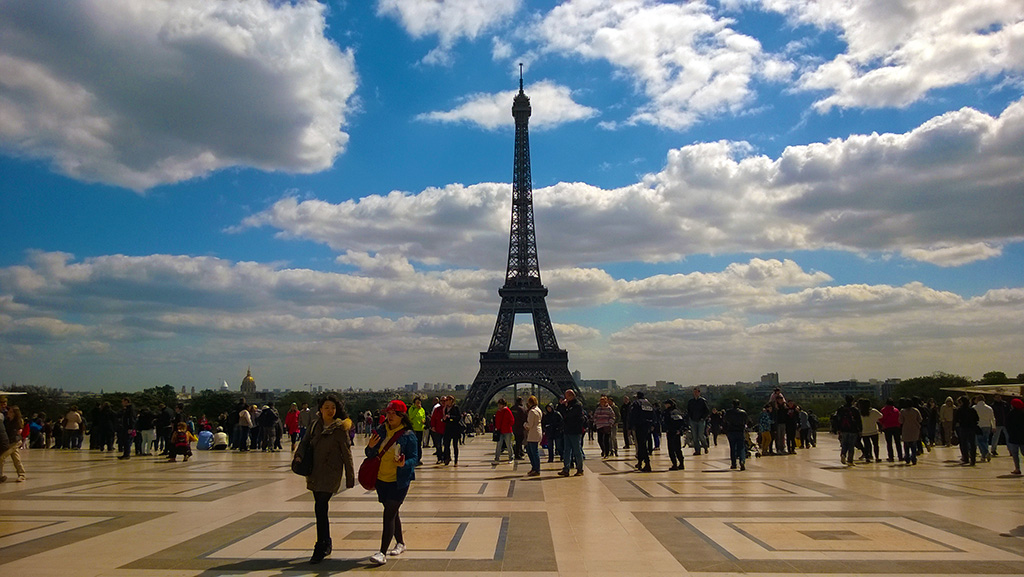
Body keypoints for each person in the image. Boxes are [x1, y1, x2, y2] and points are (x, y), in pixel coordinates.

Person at [299, 394, 355, 564]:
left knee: (320, 506)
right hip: (314, 471)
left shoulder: (340, 428)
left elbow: (347, 452)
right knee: (320, 508)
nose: (330, 411)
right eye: (327, 407)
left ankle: (320, 545)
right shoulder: (315, 425)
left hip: (331, 472)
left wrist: (350, 476)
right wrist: (298, 458)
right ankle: (326, 542)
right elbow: (305, 442)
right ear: (321, 409)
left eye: (333, 408)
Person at [365, 400, 419, 566]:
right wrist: (370, 447)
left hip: (399, 480)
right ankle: (401, 543)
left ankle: (382, 552)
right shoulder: (380, 431)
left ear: (402, 416)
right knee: (392, 512)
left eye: (393, 413)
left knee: (389, 513)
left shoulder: (408, 435)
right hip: (382, 479)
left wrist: (405, 464)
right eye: (388, 413)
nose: (389, 416)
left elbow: (415, 458)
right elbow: (369, 454)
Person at [558, 389, 586, 477]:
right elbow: (561, 413)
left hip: (574, 431)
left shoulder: (577, 405)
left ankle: (580, 469)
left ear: (571, 396)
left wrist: (565, 408)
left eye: (566, 396)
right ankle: (566, 468)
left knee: (577, 450)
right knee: (567, 451)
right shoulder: (569, 405)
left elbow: (568, 415)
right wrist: (562, 405)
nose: (565, 398)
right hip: (567, 430)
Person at [1, 401, 27, 482]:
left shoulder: (17, 422)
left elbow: (16, 432)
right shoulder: (7, 420)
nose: (9, 412)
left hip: (15, 442)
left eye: (11, 412)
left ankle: (0, 475)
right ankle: (21, 474)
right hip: (10, 441)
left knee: (2, 457)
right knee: (16, 458)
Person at [629, 392, 655, 472]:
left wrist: (630, 427)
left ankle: (647, 463)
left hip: (640, 425)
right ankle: (640, 462)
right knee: (643, 444)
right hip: (648, 426)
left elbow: (632, 415)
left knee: (641, 445)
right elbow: (654, 415)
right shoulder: (648, 403)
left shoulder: (636, 403)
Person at [835, 395, 862, 466]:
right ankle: (850, 460)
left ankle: (843, 454)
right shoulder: (855, 410)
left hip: (844, 429)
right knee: (851, 445)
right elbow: (859, 420)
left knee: (844, 444)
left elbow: (837, 419)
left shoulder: (841, 409)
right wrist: (860, 430)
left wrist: (838, 429)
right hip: (853, 429)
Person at [953, 396, 979, 466]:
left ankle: (966, 458)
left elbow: (956, 420)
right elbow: (977, 418)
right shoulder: (972, 410)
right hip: (972, 428)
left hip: (963, 428)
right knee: (972, 444)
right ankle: (973, 459)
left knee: (964, 443)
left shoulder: (959, 410)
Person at [724, 399, 748, 470]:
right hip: (740, 431)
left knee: (732, 448)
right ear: (739, 405)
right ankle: (742, 461)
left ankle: (733, 464)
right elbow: (746, 421)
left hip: (731, 431)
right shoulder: (743, 413)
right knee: (741, 447)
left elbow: (725, 421)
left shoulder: (728, 412)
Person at [662, 399, 685, 470]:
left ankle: (674, 464)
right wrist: (680, 430)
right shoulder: (677, 411)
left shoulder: (667, 412)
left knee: (671, 449)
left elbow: (666, 422)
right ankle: (681, 463)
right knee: (678, 448)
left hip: (671, 431)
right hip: (677, 432)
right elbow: (682, 422)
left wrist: (667, 429)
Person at [686, 388, 711, 455]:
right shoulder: (691, 401)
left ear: (699, 393)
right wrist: (690, 418)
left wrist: (703, 418)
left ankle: (705, 446)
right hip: (693, 420)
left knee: (700, 435)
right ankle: (697, 450)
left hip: (700, 421)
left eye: (696, 392)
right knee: (695, 436)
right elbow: (688, 410)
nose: (695, 394)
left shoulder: (702, 401)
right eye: (694, 392)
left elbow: (707, 410)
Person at [899, 397, 923, 465]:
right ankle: (914, 458)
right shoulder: (915, 410)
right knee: (914, 445)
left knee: (906, 445)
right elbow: (920, 419)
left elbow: (900, 421)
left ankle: (907, 457)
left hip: (906, 429)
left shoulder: (902, 411)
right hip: (915, 429)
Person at [857, 399, 882, 463]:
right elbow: (881, 416)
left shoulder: (860, 413)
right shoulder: (874, 411)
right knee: (876, 445)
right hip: (874, 431)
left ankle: (867, 458)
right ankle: (877, 457)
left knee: (867, 445)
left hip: (865, 432)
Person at [879, 398, 903, 462]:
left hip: (887, 428)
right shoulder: (896, 410)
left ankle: (891, 457)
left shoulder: (883, 410)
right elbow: (899, 419)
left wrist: (882, 425)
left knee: (889, 443)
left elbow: (880, 419)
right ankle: (900, 456)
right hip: (896, 427)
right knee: (898, 442)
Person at [1004, 397, 1024, 476]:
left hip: (1013, 437)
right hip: (1023, 437)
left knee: (1015, 454)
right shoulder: (1023, 413)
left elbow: (1007, 425)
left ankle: (1017, 468)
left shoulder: (1011, 414)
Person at [524, 395, 543, 476]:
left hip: (533, 433)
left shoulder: (532, 411)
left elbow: (530, 424)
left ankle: (536, 469)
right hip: (538, 431)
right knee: (531, 450)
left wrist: (524, 424)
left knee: (533, 451)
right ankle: (535, 468)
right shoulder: (538, 410)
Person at [441, 396, 462, 466]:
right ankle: (447, 457)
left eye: (447, 400)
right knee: (446, 444)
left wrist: (450, 417)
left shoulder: (456, 408)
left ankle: (456, 460)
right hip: (448, 428)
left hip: (455, 429)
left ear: (451, 401)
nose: (446, 401)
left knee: (455, 445)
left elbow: (459, 417)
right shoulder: (445, 409)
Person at [973, 396, 995, 462]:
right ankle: (983, 456)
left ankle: (986, 452)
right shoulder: (989, 408)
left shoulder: (974, 408)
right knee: (985, 440)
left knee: (980, 441)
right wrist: (994, 426)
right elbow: (993, 418)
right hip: (987, 425)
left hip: (978, 426)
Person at [493, 398, 515, 463]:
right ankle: (497, 458)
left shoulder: (506, 411)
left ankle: (510, 457)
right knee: (500, 445)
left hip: (507, 430)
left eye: (499, 404)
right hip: (501, 430)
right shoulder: (499, 411)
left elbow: (512, 421)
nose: (498, 406)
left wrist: (506, 426)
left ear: (503, 405)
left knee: (508, 445)